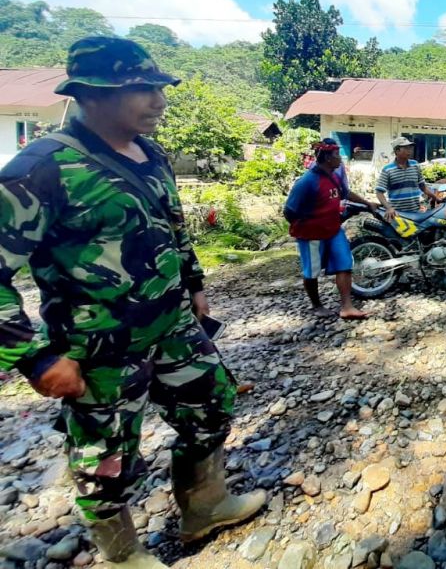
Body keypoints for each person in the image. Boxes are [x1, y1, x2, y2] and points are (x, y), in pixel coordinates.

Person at [0, 37, 265, 568]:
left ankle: (204, 506)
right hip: (98, 349)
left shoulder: (151, 154)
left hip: (173, 325)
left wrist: (195, 288)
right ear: (90, 94)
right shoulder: (38, 170)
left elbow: (174, 231)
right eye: (141, 90)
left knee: (213, 405)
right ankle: (122, 555)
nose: (158, 101)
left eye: (158, 88)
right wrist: (34, 359)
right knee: (105, 458)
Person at [284, 139, 378, 319]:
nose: (341, 159)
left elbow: (345, 193)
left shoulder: (333, 176)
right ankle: (317, 305)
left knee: (345, 263)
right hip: (311, 233)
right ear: (327, 158)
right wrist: (306, 224)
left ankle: (347, 306)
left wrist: (367, 203)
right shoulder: (307, 181)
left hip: (334, 229)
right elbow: (289, 210)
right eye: (337, 156)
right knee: (311, 271)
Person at [375, 136, 442, 221]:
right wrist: (388, 208)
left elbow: (423, 187)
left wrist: (436, 198)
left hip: (415, 213)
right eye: (406, 148)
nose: (410, 151)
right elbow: (379, 192)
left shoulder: (415, 165)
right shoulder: (387, 170)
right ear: (397, 150)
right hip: (398, 214)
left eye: (410, 148)